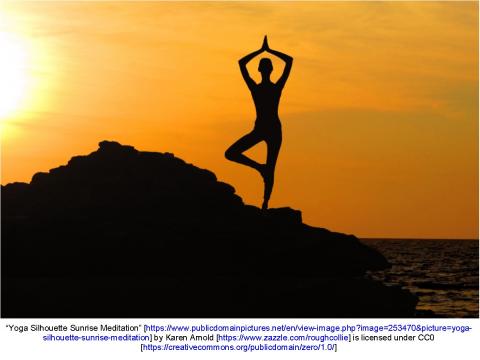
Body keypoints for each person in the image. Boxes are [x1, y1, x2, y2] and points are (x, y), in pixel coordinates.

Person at [225, 35, 293, 210]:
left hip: (272, 129)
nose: (265, 69)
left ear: (265, 70)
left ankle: (265, 203)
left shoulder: (271, 87)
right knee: (231, 153)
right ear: (266, 70)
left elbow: (289, 61)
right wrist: (266, 51)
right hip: (262, 128)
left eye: (265, 66)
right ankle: (259, 169)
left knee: (271, 166)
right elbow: (288, 61)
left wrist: (264, 51)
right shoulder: (259, 87)